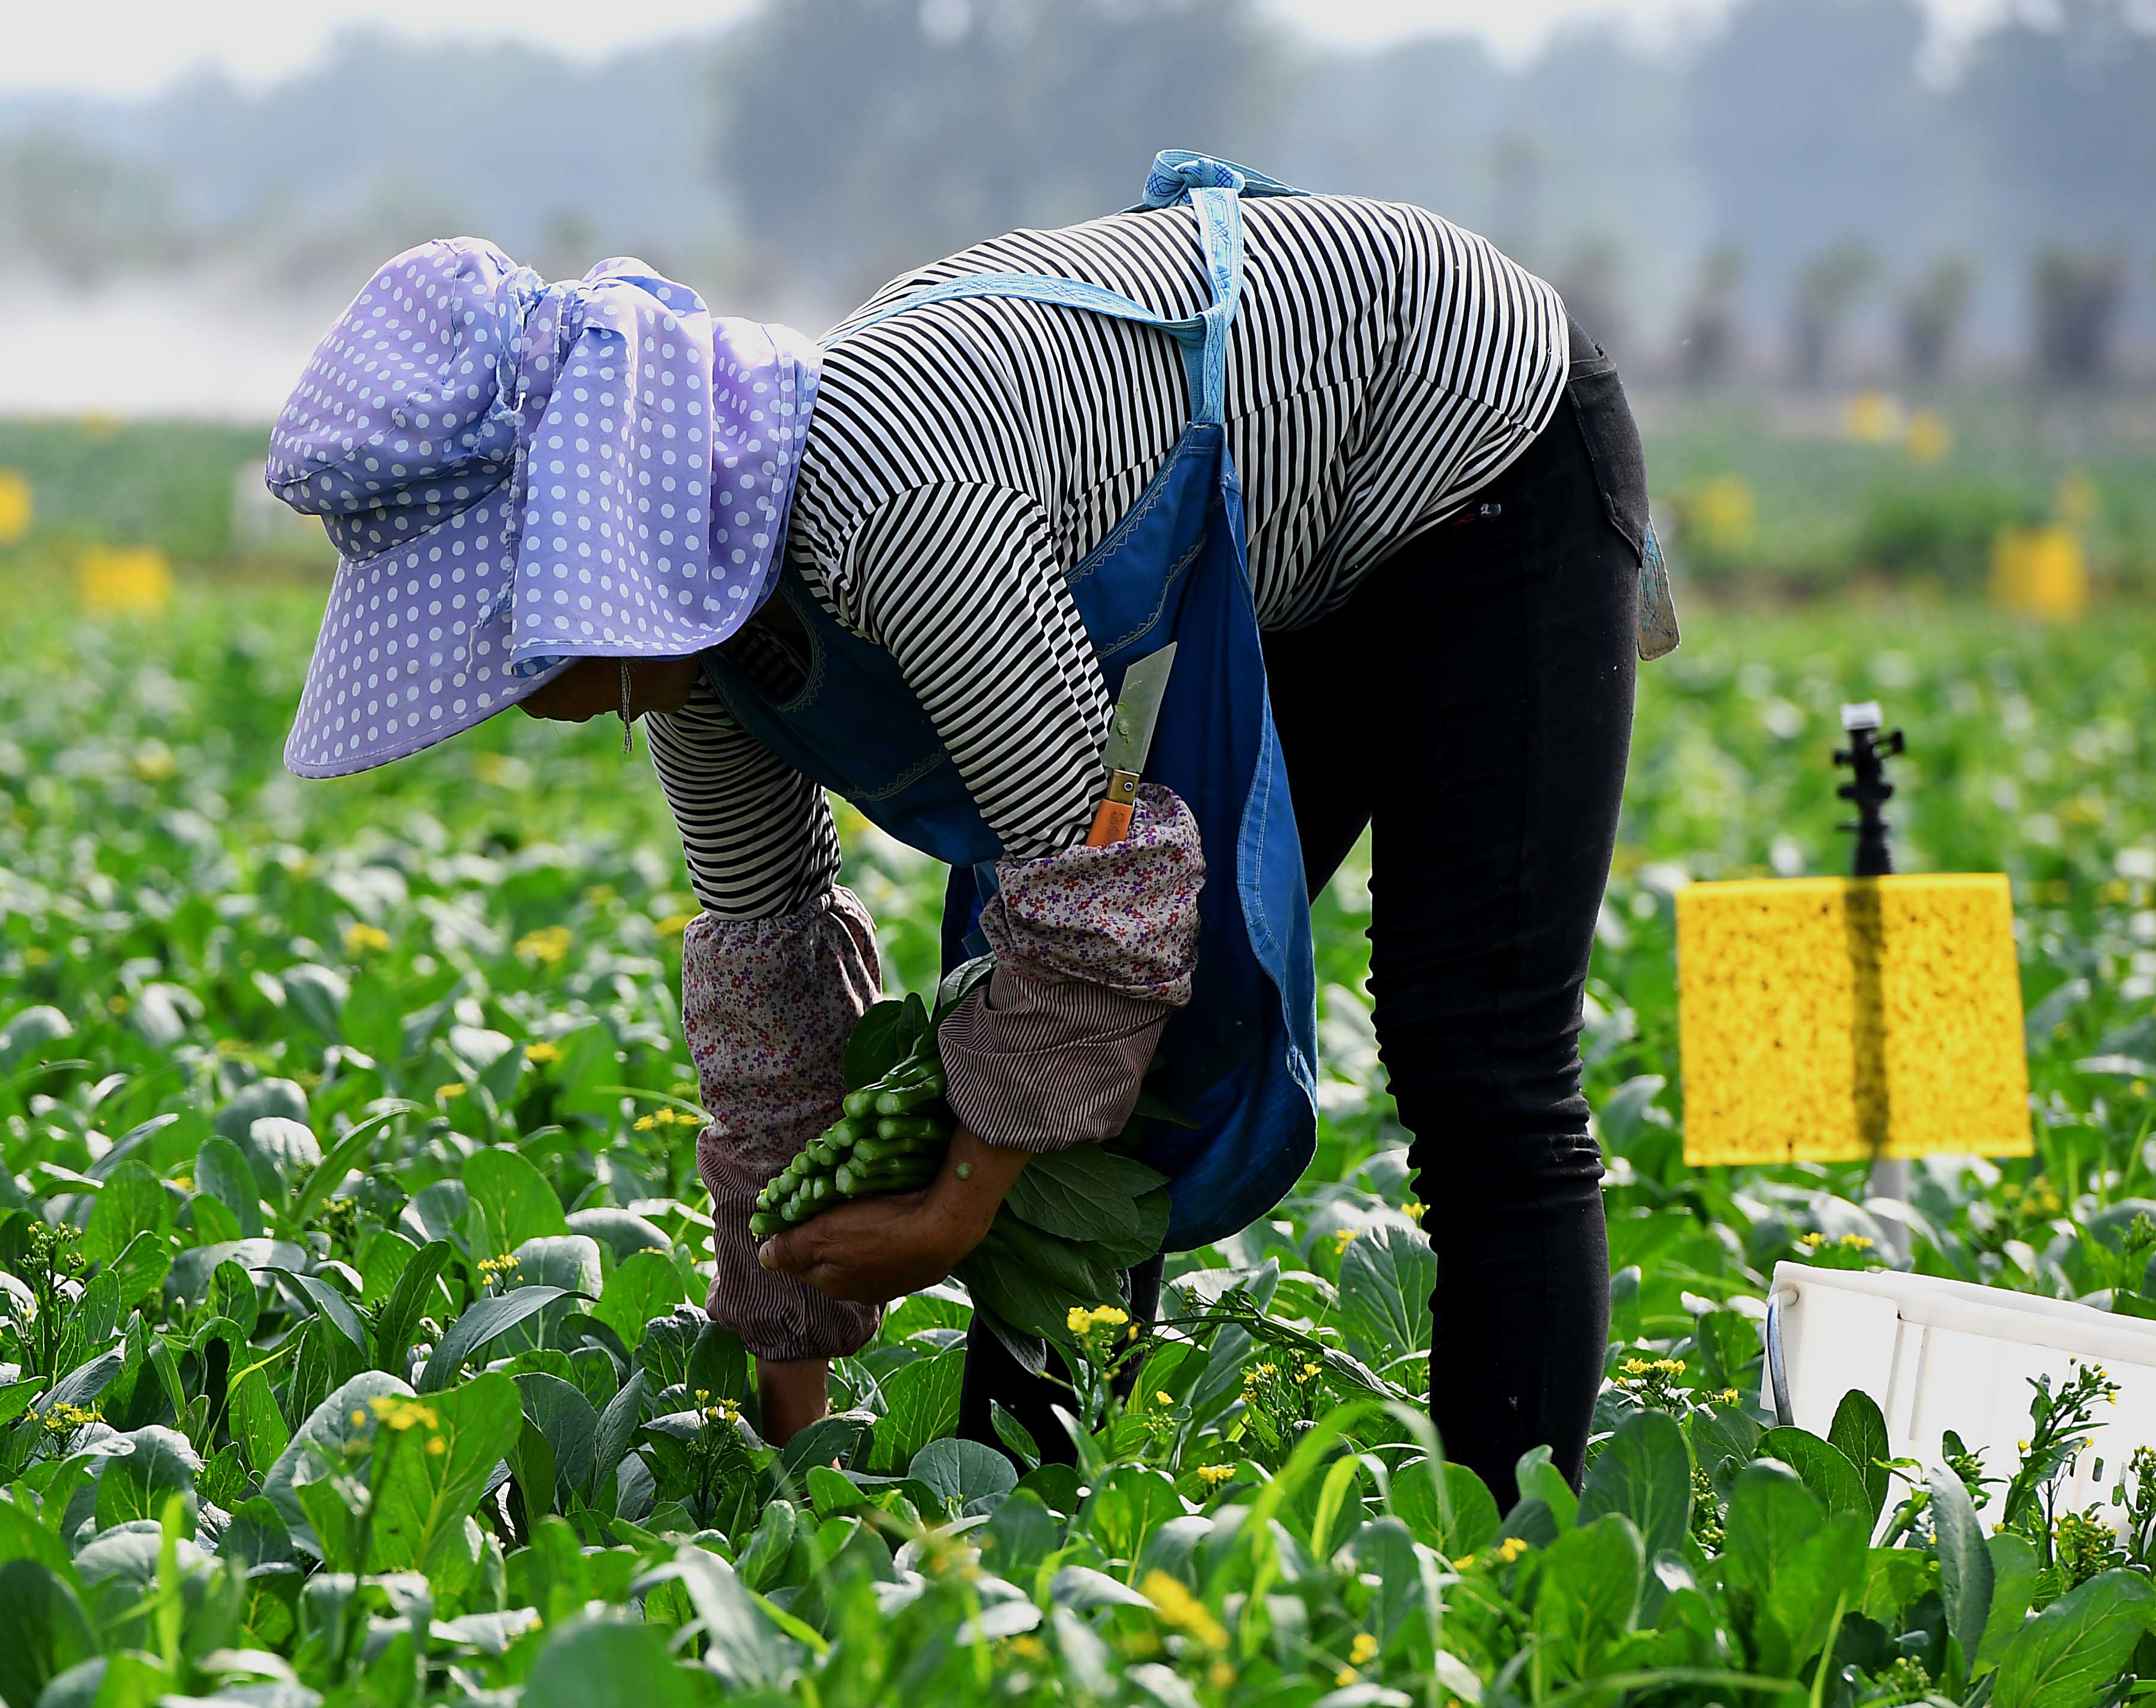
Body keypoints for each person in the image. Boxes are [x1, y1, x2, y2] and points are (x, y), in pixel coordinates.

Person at [263, 152, 1667, 1502]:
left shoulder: (893, 502)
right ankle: (1026, 1529)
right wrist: (783, 1396)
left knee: (1471, 1045)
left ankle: (1514, 1583)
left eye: (502, 633)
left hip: (1478, 451)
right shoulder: (688, 639)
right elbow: (770, 988)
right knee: (1096, 1045)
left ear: (590, 540)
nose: (510, 690)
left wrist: (951, 1208)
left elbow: (1096, 899)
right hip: (1281, 521)